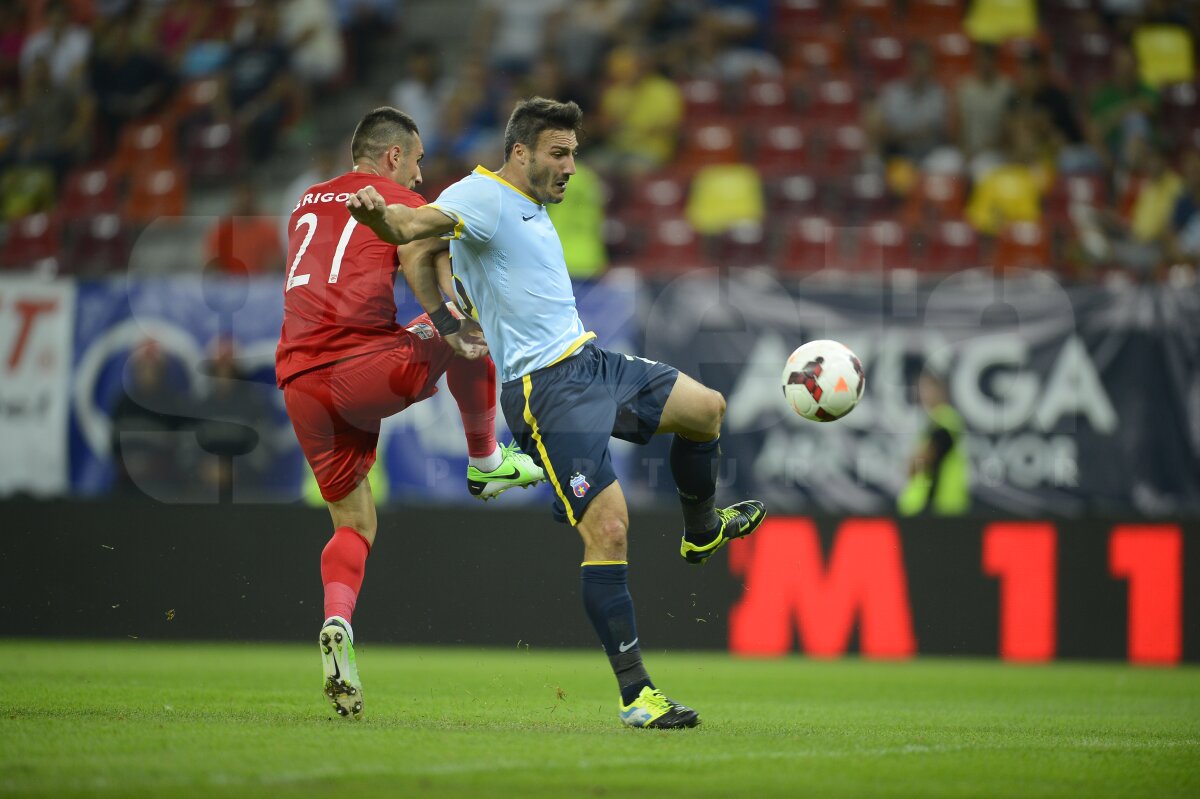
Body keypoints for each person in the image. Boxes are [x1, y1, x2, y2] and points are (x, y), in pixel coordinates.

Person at [346, 97, 767, 729]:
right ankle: (637, 696)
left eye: (574, 153)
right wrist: (384, 222)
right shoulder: (480, 196)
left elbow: (425, 254)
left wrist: (447, 313)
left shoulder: (527, 203)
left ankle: (702, 530)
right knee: (610, 529)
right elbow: (412, 235)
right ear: (520, 152)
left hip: (590, 362)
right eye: (559, 153)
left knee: (707, 410)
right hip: (547, 392)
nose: (571, 166)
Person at [275, 107, 546, 720]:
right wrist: (449, 322)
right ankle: (486, 461)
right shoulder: (398, 200)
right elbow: (420, 259)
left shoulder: (305, 202)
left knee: (354, 522)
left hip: (299, 381)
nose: (421, 176)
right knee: (470, 325)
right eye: (417, 161)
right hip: (360, 369)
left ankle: (338, 622)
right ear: (393, 156)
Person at [898, 367, 969, 516]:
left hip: (941, 506)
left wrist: (912, 463)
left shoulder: (946, 421)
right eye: (921, 388)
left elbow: (922, 460)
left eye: (928, 388)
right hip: (933, 506)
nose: (923, 394)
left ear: (941, 390)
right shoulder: (934, 422)